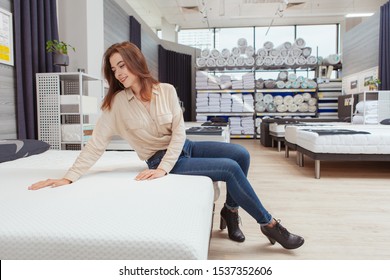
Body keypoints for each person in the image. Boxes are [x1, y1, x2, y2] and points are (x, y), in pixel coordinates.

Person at [29, 41, 304, 250]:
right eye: (113, 69)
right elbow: (95, 146)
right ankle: (270, 225)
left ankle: (230, 212)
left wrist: (169, 162)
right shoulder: (115, 106)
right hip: (159, 159)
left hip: (185, 148)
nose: (118, 73)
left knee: (241, 153)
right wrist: (69, 177)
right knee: (230, 169)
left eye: (122, 65)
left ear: (135, 62)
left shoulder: (167, 90)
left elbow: (178, 132)